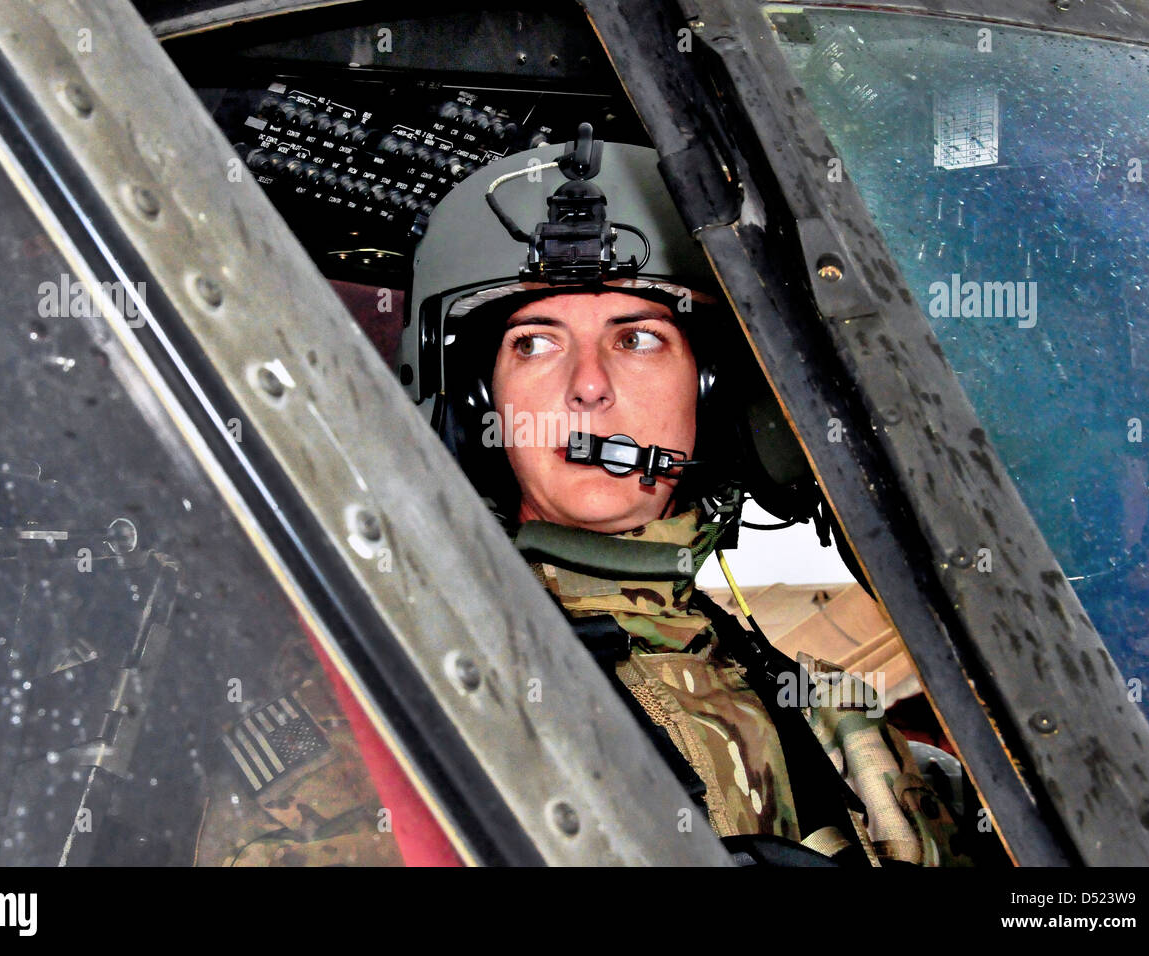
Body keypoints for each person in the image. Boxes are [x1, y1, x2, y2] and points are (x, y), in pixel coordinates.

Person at [402, 123, 973, 866]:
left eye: (638, 337)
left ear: (711, 391)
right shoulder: (407, 688)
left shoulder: (810, 700)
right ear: (482, 404)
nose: (588, 386)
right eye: (534, 342)